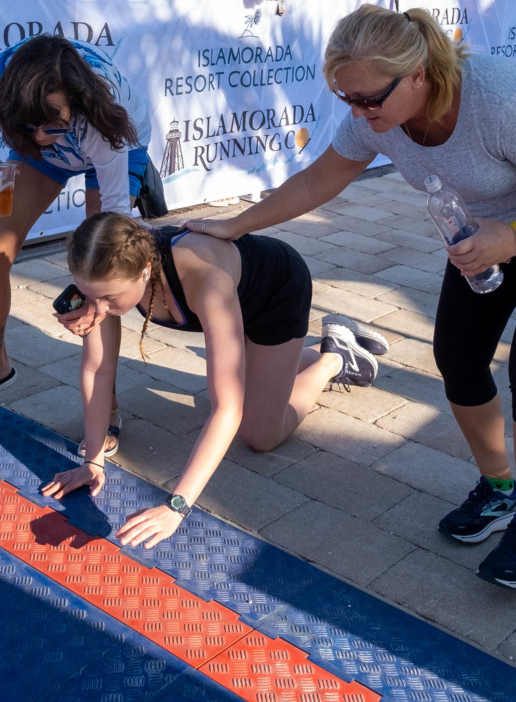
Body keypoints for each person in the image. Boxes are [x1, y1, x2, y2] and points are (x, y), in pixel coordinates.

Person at [187, 5, 516, 589]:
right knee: (458, 359)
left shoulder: (498, 97)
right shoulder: (374, 110)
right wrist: (235, 226)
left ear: (418, 74)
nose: (361, 113)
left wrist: (515, 237)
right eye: (348, 99)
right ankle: (498, 487)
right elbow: (321, 178)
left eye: (370, 99)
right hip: (488, 232)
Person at [39, 212, 381, 546]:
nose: (95, 308)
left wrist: (177, 505)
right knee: (257, 382)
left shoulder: (205, 277)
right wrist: (92, 462)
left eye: (109, 299)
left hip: (275, 293)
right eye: (87, 293)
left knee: (260, 435)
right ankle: (299, 356)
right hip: (231, 308)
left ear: (144, 270)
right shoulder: (105, 275)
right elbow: (97, 370)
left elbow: (226, 409)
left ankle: (333, 356)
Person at [0, 36, 154, 428]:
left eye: (53, 123)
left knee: (100, 272)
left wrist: (99, 300)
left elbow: (115, 219)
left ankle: (105, 404)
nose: (40, 135)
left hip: (111, 142)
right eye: (29, 124)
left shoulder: (100, 108)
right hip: (46, 156)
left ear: (76, 101)